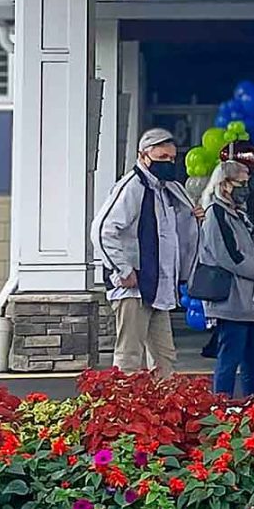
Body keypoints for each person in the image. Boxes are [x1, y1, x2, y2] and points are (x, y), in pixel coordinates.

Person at [93, 128, 201, 378]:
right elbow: (102, 229)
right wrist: (122, 268)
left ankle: (162, 409)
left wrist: (192, 219)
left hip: (159, 285)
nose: (168, 164)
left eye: (172, 159)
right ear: (143, 156)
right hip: (134, 286)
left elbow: (174, 235)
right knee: (129, 355)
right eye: (162, 158)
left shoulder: (167, 190)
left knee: (164, 357)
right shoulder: (132, 187)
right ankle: (123, 410)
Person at [198, 160, 254, 398]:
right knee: (230, 358)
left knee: (253, 361)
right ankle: (222, 410)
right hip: (231, 301)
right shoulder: (217, 214)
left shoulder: (240, 215)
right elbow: (232, 257)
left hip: (251, 302)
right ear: (224, 185)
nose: (246, 188)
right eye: (241, 183)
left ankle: (252, 408)